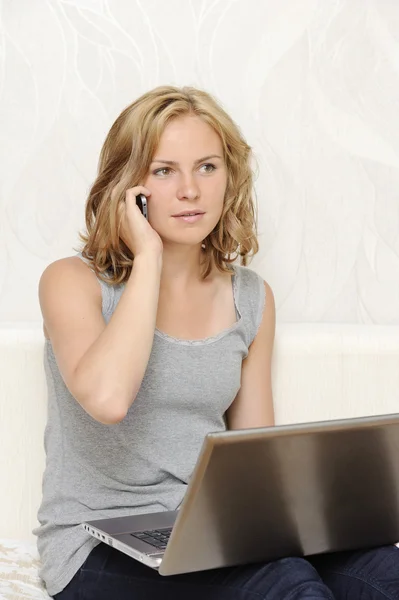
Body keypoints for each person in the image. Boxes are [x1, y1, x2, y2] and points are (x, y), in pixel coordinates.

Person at [34, 85, 399, 599]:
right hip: (97, 543)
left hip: (210, 532)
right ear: (128, 186)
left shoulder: (251, 298)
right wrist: (149, 259)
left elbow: (255, 460)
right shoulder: (72, 281)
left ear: (229, 178)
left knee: (384, 572)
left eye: (207, 167)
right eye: (164, 170)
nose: (190, 189)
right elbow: (109, 399)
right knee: (287, 587)